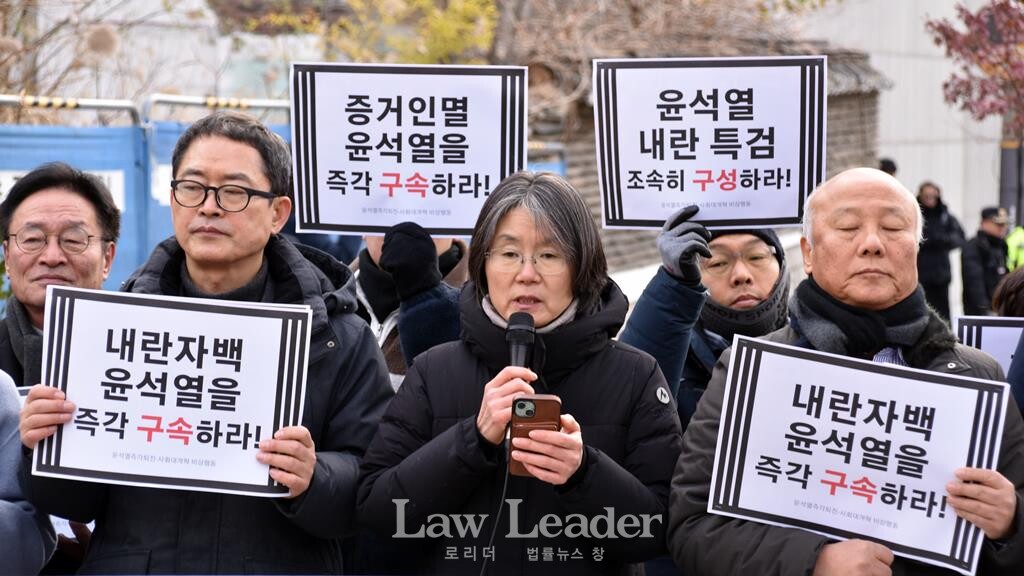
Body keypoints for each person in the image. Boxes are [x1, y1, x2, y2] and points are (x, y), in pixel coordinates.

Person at [19, 111, 394, 573]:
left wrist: (315, 478)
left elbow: (375, 487)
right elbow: (73, 502)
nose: (209, 207)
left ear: (278, 213)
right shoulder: (110, 331)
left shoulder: (337, 338)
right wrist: (43, 445)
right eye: (192, 188)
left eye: (234, 192)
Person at [668, 167, 1024, 575]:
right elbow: (692, 528)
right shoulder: (750, 372)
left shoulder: (977, 376)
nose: (872, 244)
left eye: (893, 228)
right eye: (848, 228)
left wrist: (1011, 522)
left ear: (917, 247)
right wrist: (813, 561)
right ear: (808, 252)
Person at [357, 172, 682, 575]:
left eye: (549, 255)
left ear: (583, 266)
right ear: (483, 264)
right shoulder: (433, 370)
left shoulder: (635, 375)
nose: (527, 273)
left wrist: (583, 472)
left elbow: (661, 531)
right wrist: (472, 439)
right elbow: (378, 511)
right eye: (509, 254)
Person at [0, 161, 120, 573]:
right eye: (32, 239)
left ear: (107, 257)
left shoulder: (153, 362)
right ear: (7, 256)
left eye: (73, 239)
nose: (51, 257)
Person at [620, 206, 789, 433]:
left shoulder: (818, 346)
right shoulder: (672, 355)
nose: (741, 275)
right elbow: (624, 411)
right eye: (718, 262)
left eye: (757, 257)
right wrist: (675, 286)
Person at [352, 222, 468, 390]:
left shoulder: (483, 309)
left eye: (427, 211)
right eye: (387, 211)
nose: (405, 225)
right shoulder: (327, 301)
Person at [916, 181, 965, 321]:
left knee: (942, 313)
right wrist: (925, 241)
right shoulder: (914, 215)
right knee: (921, 311)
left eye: (933, 195)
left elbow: (960, 238)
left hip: (941, 275)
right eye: (926, 195)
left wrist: (943, 240)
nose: (930, 199)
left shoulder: (945, 217)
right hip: (920, 274)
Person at [963, 206, 1010, 316]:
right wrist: (984, 308)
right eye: (998, 224)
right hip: (981, 312)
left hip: (999, 307)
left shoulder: (1001, 245)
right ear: (984, 223)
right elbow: (974, 282)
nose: (1003, 228)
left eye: (1004, 224)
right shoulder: (974, 246)